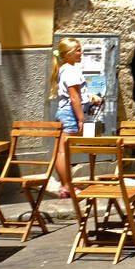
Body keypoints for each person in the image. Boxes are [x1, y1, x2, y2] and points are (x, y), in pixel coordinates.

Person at [51, 37, 103, 197]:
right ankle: (67, 186)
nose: (81, 53)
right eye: (78, 50)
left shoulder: (65, 69)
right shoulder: (71, 71)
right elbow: (74, 97)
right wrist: (81, 118)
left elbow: (76, 95)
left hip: (64, 111)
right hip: (70, 114)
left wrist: (89, 97)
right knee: (63, 152)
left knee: (62, 151)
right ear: (68, 54)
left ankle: (65, 185)